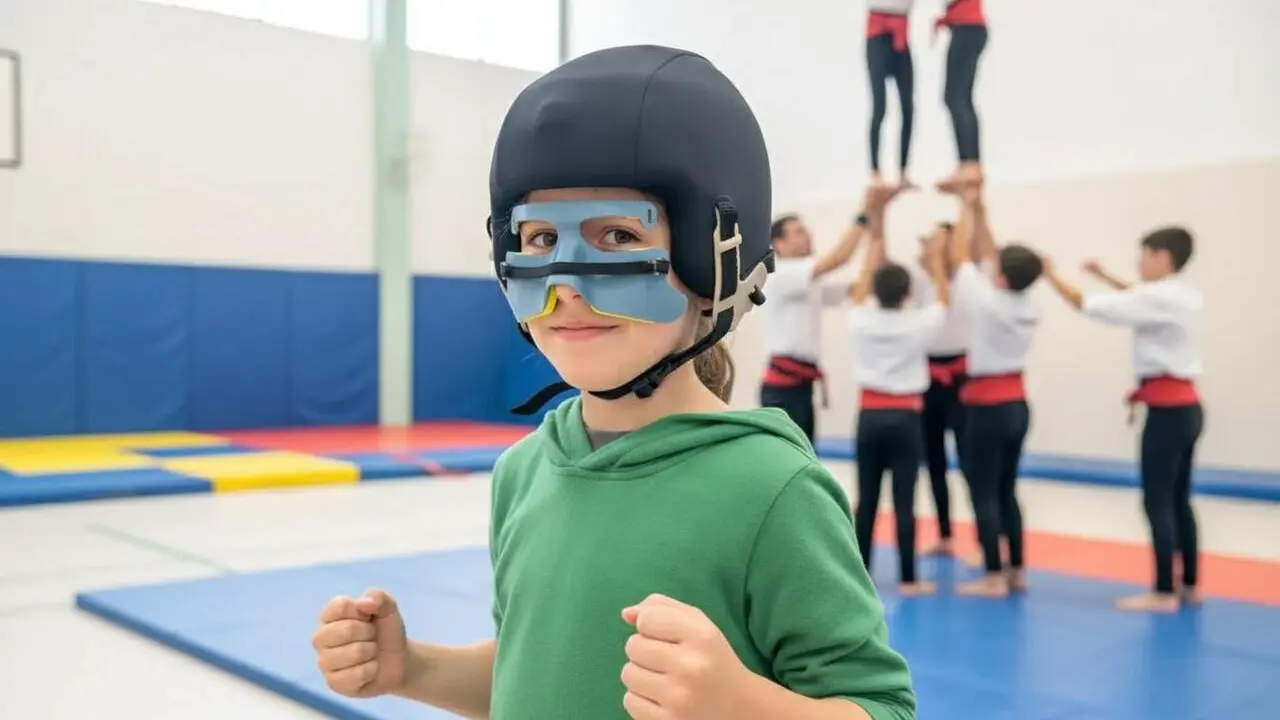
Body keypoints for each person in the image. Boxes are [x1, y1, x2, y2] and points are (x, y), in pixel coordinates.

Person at [311, 45, 916, 720]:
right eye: (541, 239)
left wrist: (741, 706)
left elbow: (880, 707)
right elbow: (530, 669)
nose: (567, 285)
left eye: (620, 236)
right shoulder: (524, 471)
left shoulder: (772, 488)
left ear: (714, 259)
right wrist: (413, 668)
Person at [1041, 227, 1204, 613]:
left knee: (1157, 500)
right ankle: (1190, 584)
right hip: (1188, 410)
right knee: (1179, 499)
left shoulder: (1156, 297)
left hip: (1167, 415)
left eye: (1144, 254)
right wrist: (1105, 276)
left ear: (1163, 257)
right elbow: (1138, 296)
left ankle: (1163, 591)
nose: (1139, 262)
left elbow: (1085, 304)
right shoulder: (1184, 295)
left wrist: (1049, 274)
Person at [848, 190, 950, 596]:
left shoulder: (859, 319)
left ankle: (859, 575)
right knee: (905, 499)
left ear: (874, 290)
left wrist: (875, 236)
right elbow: (943, 299)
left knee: (867, 499)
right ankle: (908, 578)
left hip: (870, 416)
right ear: (908, 293)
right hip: (906, 418)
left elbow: (860, 286)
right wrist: (937, 262)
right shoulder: (917, 322)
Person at [946, 184, 1042, 598]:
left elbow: (960, 257)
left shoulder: (988, 302)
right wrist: (980, 208)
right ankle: (1017, 568)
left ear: (1002, 276)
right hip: (1017, 404)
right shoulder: (1028, 302)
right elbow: (989, 255)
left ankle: (992, 574)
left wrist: (965, 208)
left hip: (987, 407)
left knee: (982, 490)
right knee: (1006, 489)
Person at [759, 205, 871, 444]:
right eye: (799, 232)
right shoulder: (781, 273)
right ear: (779, 244)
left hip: (802, 385)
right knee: (793, 456)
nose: (808, 235)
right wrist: (865, 215)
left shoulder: (807, 282)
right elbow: (839, 258)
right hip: (783, 389)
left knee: (807, 454)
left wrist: (877, 228)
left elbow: (859, 289)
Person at [906, 221, 969, 556]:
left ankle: (985, 540)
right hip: (928, 379)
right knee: (934, 460)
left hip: (960, 379)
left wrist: (942, 249)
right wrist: (929, 255)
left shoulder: (966, 280)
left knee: (970, 459)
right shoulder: (920, 282)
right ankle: (945, 535)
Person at [933, 0, 988, 193]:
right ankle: (969, 164)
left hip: (967, 27)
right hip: (968, 27)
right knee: (960, 97)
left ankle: (969, 164)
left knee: (955, 97)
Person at [865, 0, 917, 190]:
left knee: (908, 108)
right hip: (877, 36)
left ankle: (903, 172)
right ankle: (875, 172)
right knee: (879, 107)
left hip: (901, 35)